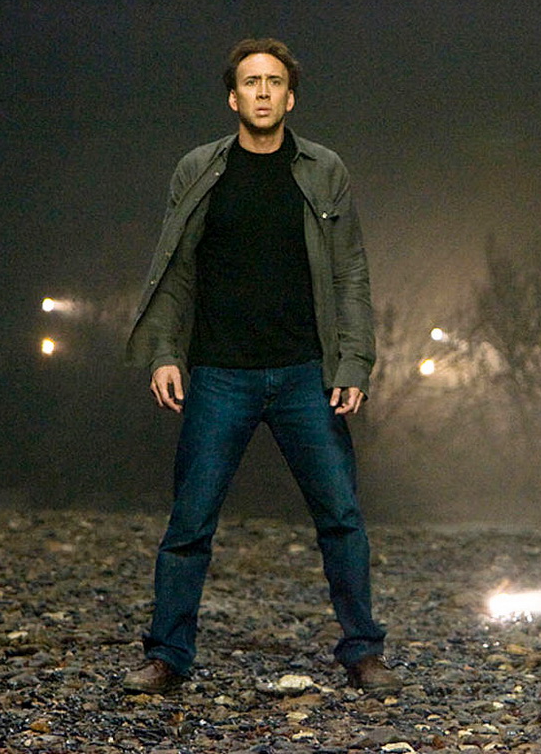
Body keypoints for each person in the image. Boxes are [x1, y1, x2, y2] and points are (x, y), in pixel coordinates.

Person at [122, 38, 399, 695]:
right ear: (234, 97)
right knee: (189, 524)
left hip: (305, 372)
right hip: (220, 373)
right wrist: (165, 353)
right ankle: (168, 656)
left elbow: (350, 271)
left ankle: (364, 653)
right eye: (252, 82)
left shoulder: (323, 169)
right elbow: (175, 269)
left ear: (290, 97)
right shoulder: (199, 169)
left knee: (341, 517)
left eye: (275, 81)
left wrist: (354, 363)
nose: (264, 92)